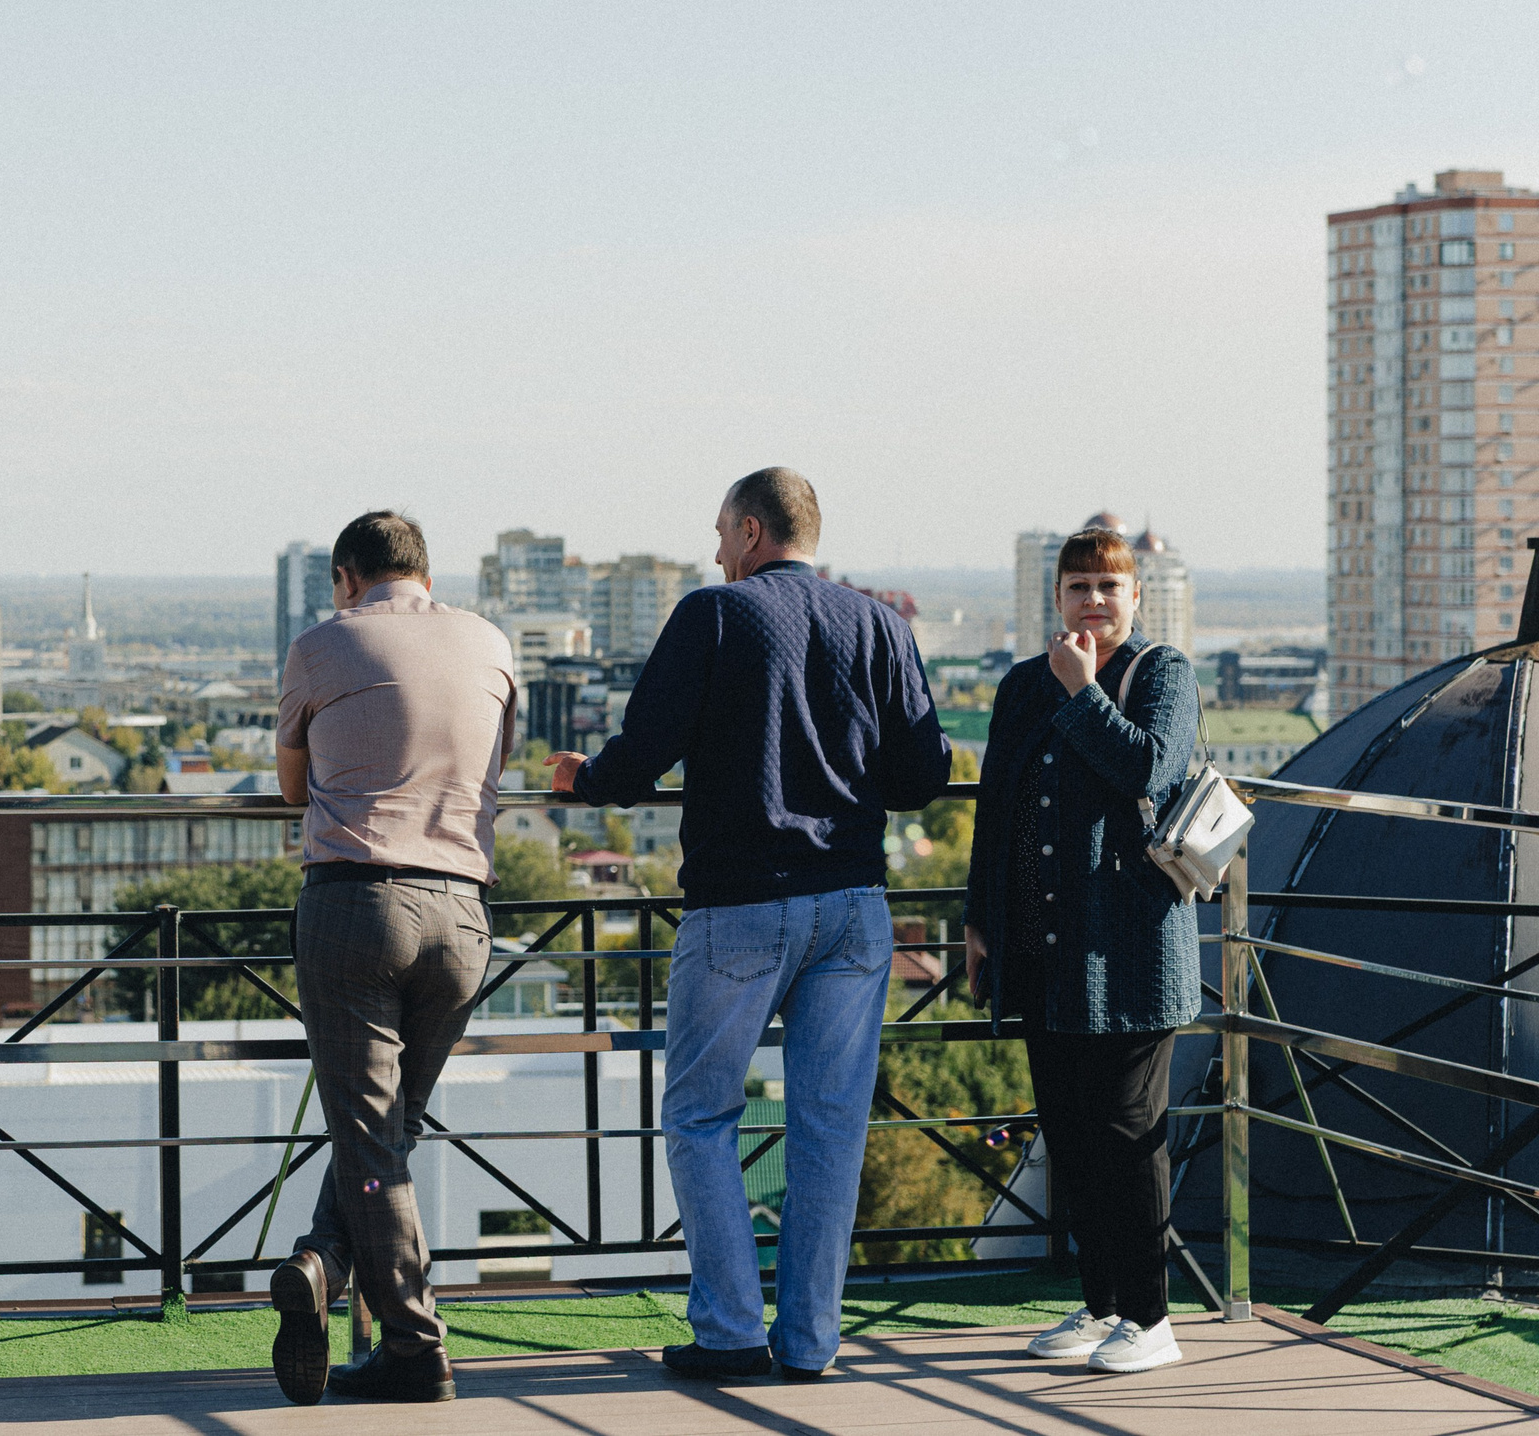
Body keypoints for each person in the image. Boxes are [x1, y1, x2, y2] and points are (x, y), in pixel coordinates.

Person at [549, 467, 951, 1384]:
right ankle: (809, 1345)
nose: (717, 550)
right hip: (853, 906)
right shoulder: (882, 624)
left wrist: (585, 779)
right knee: (828, 1131)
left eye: (723, 532)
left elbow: (643, 750)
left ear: (756, 529)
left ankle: (730, 1330)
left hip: (739, 905)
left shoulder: (715, 615)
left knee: (698, 1113)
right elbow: (924, 775)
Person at [267, 509, 518, 1407]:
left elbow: (295, 786)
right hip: (464, 912)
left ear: (346, 577)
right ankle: (324, 1261)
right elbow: (495, 766)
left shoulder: (321, 646)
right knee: (390, 1128)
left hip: (356, 906)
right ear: (425, 572)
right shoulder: (490, 643)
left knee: (371, 1134)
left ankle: (414, 1345)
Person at [963, 526, 1200, 1374]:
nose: (1094, 601)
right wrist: (978, 917)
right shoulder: (1024, 683)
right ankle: (1101, 1304)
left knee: (1128, 1130)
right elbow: (998, 809)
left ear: (1137, 598)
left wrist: (1082, 689)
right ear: (1054, 597)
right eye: (1078, 587)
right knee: (1069, 1130)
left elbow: (1145, 769)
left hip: (1132, 955)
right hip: (1044, 950)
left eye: (1109, 586)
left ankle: (1152, 1317)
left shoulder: (1161, 673)